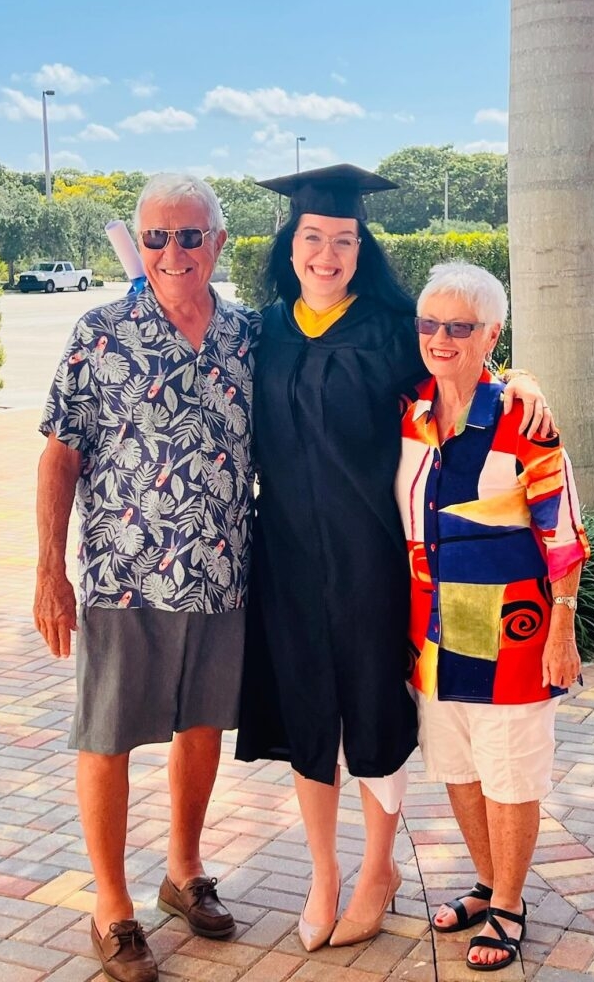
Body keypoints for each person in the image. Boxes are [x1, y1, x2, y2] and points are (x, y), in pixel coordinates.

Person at [235, 166, 554, 952]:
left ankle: (379, 868)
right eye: (313, 237)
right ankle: (323, 872)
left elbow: (461, 378)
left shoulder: (387, 327)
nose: (327, 253)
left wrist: (523, 380)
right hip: (288, 557)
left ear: (361, 248)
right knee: (307, 708)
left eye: (343, 240)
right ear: (290, 244)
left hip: (373, 556)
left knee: (374, 712)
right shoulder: (264, 329)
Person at [34, 174, 259, 982]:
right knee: (108, 737)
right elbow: (60, 454)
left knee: (202, 729)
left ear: (218, 244)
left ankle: (183, 871)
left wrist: (513, 379)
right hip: (122, 578)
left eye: (189, 236)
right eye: (156, 237)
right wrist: (48, 573)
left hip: (221, 576)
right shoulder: (100, 333)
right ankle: (112, 903)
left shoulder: (247, 337)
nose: (172, 252)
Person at [395, 261, 590, 972]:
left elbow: (563, 535)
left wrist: (563, 630)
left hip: (514, 632)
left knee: (511, 772)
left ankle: (509, 904)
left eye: (460, 327)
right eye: (430, 324)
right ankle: (487, 880)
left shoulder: (522, 420)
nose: (441, 338)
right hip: (434, 634)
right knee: (457, 765)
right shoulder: (408, 410)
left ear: (491, 335)